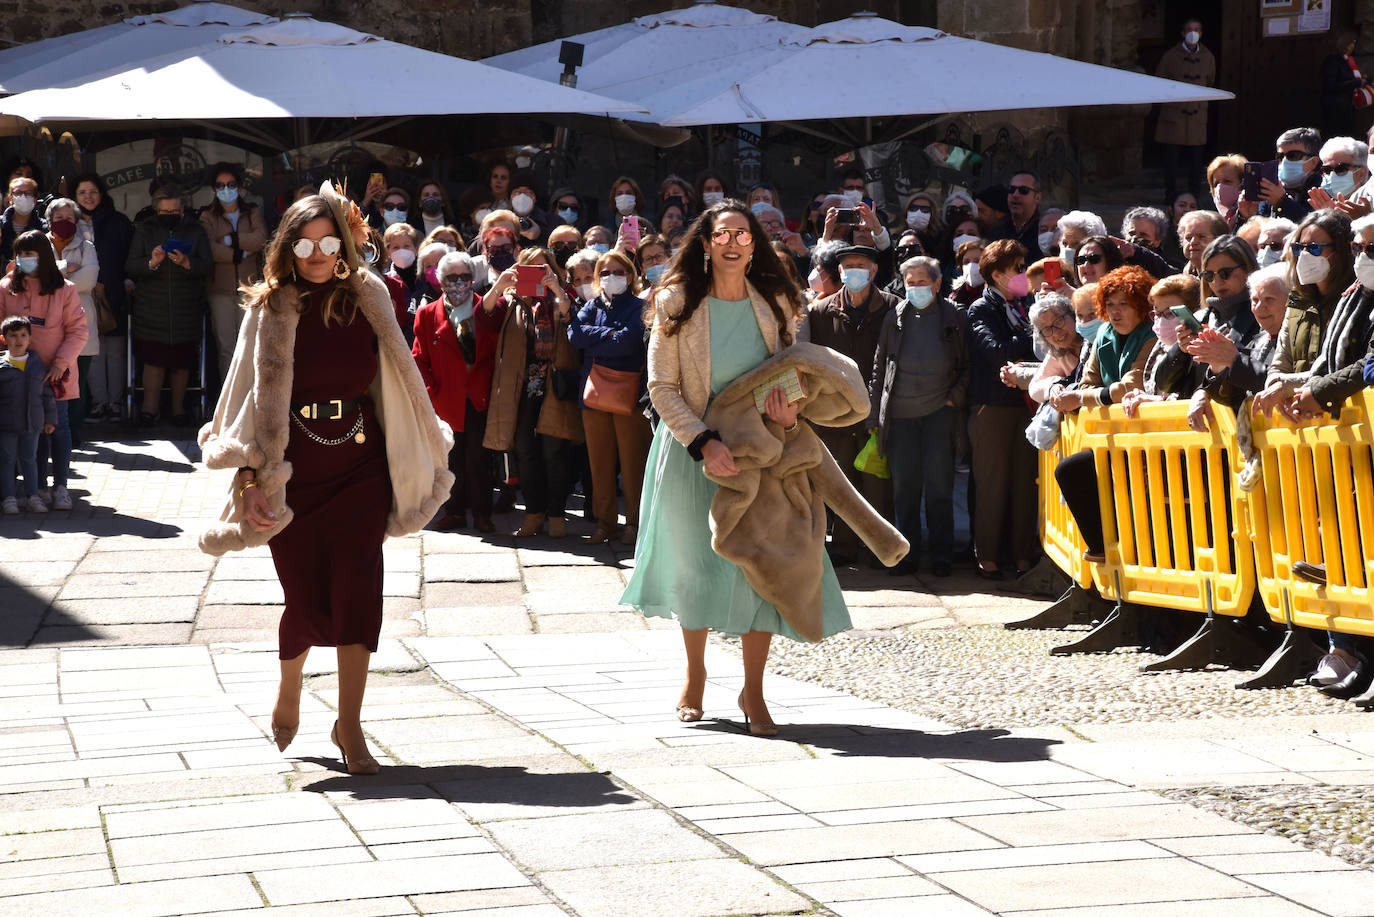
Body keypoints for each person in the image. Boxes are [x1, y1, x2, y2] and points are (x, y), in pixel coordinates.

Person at [198, 185, 452, 775]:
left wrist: (423, 446)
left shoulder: (369, 297)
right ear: (287, 247)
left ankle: (351, 723)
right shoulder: (269, 308)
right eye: (306, 243)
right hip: (294, 472)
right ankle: (290, 687)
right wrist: (246, 482)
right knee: (307, 600)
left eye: (328, 241)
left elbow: (403, 379)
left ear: (344, 245)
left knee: (359, 591)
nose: (317, 253)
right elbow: (240, 401)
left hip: (360, 466)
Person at [622, 199, 851, 737]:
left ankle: (754, 690)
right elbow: (661, 388)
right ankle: (696, 672)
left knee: (761, 567)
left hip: (762, 452)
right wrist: (703, 442)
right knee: (698, 568)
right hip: (690, 453)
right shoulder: (676, 301)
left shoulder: (774, 302)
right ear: (705, 244)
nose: (732, 242)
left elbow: (792, 368)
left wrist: (790, 407)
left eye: (742, 235)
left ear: (755, 245)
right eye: (721, 234)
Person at [796, 243, 897, 566]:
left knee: (877, 481)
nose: (855, 270)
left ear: (874, 270)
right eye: (848, 265)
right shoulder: (821, 311)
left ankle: (881, 547)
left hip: (878, 407)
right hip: (834, 410)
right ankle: (843, 547)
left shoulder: (893, 308)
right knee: (839, 482)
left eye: (861, 265)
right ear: (839, 272)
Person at [1051, 265, 1159, 561]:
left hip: (1148, 438)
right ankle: (1103, 548)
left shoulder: (1153, 335)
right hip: (1111, 438)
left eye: (1124, 304)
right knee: (1071, 471)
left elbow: (1132, 384)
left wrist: (1083, 398)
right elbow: (1088, 380)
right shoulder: (1103, 335)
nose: (1116, 311)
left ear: (1140, 305)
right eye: (1110, 304)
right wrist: (1074, 395)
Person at [868, 255, 967, 577]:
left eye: (922, 282)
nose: (916, 289)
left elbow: (967, 366)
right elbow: (879, 366)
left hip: (939, 412)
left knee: (940, 487)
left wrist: (954, 399)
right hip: (899, 416)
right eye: (910, 283)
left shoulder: (954, 316)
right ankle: (905, 554)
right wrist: (874, 413)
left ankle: (941, 554)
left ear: (937, 284)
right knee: (905, 489)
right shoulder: (893, 317)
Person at [483, 246, 584, 538]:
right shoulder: (512, 302)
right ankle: (533, 514)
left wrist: (557, 289)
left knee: (555, 452)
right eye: (531, 269)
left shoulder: (563, 297)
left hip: (555, 385)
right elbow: (485, 316)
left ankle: (556, 515)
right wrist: (500, 285)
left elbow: (573, 321)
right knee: (525, 451)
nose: (539, 274)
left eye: (544, 268)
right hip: (521, 388)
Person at [568, 247, 652, 545]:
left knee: (633, 463)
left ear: (630, 275)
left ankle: (634, 522)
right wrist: (609, 333)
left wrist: (598, 336)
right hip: (592, 395)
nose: (611, 278)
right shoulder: (593, 305)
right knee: (599, 463)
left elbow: (628, 343)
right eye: (605, 273)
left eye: (618, 272)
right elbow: (574, 335)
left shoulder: (641, 306)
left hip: (629, 394)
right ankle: (605, 524)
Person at [412, 249, 499, 533]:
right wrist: (431, 391)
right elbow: (418, 358)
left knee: (480, 458)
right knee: (450, 459)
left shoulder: (488, 308)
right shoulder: (427, 314)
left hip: (480, 395)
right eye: (452, 277)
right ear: (440, 281)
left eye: (464, 277)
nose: (458, 283)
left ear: (473, 280)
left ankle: (483, 513)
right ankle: (454, 511)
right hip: (446, 398)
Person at [966, 239, 1037, 578]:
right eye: (1017, 269)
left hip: (1026, 405)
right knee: (992, 483)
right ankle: (988, 553)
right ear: (996, 275)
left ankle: (1021, 553)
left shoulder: (1029, 305)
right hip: (991, 406)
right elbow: (995, 351)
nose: (1024, 275)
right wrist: (1033, 333)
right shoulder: (982, 309)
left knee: (1025, 481)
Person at [1, 230, 86, 511]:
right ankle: (32, 488)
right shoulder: (5, 288)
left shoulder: (66, 289)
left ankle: (60, 486)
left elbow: (77, 331)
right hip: (16, 377)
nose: (25, 260)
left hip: (55, 373)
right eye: (20, 255)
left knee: (58, 427)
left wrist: (60, 364)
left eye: (31, 254)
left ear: (44, 257)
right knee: (25, 431)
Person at [1254, 208, 1356, 416]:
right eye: (1300, 248)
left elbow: (1343, 367)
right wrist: (1277, 387)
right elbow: (1280, 362)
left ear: (1341, 251)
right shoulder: (1297, 301)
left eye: (1315, 248)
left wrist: (1286, 387)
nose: (1305, 255)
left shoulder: (1355, 300)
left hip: (1349, 422)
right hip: (1304, 427)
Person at [125, 185, 212, 426]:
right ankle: (148, 410)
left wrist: (186, 263)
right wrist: (152, 262)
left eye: (174, 210)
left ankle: (178, 411)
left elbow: (207, 266)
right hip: (151, 307)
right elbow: (132, 265)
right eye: (164, 211)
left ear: (182, 209)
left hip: (186, 307)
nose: (169, 214)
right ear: (156, 211)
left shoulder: (196, 231)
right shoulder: (144, 229)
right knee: (153, 361)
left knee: (181, 362)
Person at [201, 163, 267, 380]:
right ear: (213, 190)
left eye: (231, 185)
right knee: (226, 347)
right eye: (220, 185)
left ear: (239, 188)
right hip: (219, 290)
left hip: (250, 289)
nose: (225, 189)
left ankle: (250, 398)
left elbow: (260, 240)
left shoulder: (253, 212)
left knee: (250, 346)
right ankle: (228, 400)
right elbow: (210, 249)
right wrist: (241, 254)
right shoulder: (207, 217)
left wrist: (231, 240)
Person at [45, 198, 99, 438]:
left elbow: (88, 281)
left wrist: (55, 274)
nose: (64, 222)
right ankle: (50, 430)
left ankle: (74, 431)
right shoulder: (39, 245)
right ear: (49, 221)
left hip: (80, 322)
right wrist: (67, 267)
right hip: (47, 324)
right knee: (49, 379)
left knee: (77, 381)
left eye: (69, 218)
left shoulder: (87, 246)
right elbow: (38, 280)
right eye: (58, 218)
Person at [0, 315, 56, 515]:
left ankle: (33, 495)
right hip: (6, 424)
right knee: (6, 460)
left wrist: (50, 419)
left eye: (23, 335)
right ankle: (9, 497)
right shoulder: (2, 366)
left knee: (29, 459)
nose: (19, 340)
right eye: (13, 335)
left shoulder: (36, 364)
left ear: (30, 338)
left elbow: (47, 394)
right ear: (4, 338)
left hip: (33, 423)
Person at [1155, 16, 1215, 202]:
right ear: (1182, 33)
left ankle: (1194, 194)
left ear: (1201, 33)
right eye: (1189, 29)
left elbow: (1210, 80)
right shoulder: (1170, 56)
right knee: (1171, 160)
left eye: (1196, 29)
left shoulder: (1208, 56)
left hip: (1197, 115)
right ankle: (1170, 195)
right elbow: (1160, 79)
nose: (1193, 33)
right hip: (1174, 114)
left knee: (1196, 161)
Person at [1025, 292, 1084, 404]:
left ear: (1073, 315)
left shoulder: (1092, 339)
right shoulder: (1058, 352)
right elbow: (1034, 387)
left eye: (1059, 321)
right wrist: (1054, 386)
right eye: (1047, 329)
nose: (1056, 333)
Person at [1257, 127, 1323, 223]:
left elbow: (1314, 227)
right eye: (1280, 156)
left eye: (1293, 155)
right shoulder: (1272, 187)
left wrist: (1281, 202)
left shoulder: (1323, 190)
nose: (1284, 161)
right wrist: (1246, 216)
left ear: (1313, 162)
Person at [1321, 32, 1367, 141]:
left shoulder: (1346, 60)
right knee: (1337, 136)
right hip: (1336, 108)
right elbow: (1331, 85)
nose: (1353, 46)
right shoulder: (1333, 61)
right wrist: (1356, 83)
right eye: (1352, 43)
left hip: (1346, 106)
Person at [1308, 136, 1371, 215]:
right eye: (1327, 170)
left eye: (1340, 169)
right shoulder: (1321, 207)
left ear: (1361, 173)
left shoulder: (1370, 205)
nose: (1332, 175)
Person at [994, 170, 1045, 260]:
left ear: (1038, 197)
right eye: (1012, 189)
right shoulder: (997, 229)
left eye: (1023, 190)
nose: (1015, 194)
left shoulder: (1044, 230)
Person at [0, 176, 45, 267]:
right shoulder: (1, 225)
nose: (23, 197)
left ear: (35, 199)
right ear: (10, 198)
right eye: (18, 193)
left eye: (28, 193)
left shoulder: (44, 228)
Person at [1178, 210, 1228, 277]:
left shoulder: (1226, 276)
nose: (1193, 242)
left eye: (1201, 236)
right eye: (1188, 237)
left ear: (1218, 240)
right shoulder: (1186, 275)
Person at [1207, 154, 1248, 232]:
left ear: (1243, 184)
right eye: (1216, 184)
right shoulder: (1213, 223)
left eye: (1227, 181)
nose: (1220, 187)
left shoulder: (1256, 214)